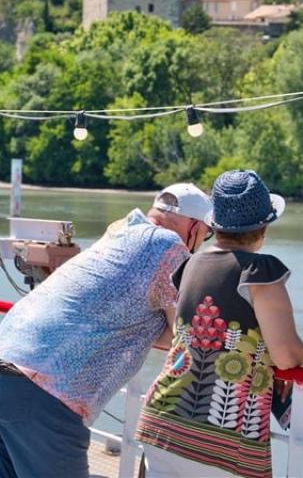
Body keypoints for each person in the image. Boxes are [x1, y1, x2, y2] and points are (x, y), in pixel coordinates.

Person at [0, 183, 213, 478]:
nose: (203, 241)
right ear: (193, 226)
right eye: (207, 233)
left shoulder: (121, 232)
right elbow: (184, 331)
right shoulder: (169, 246)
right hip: (46, 388)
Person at [136, 170, 303, 478]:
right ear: (263, 227)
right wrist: (294, 357)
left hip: (163, 421)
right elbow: (287, 356)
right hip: (222, 440)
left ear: (215, 224)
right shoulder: (260, 271)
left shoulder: (189, 265)